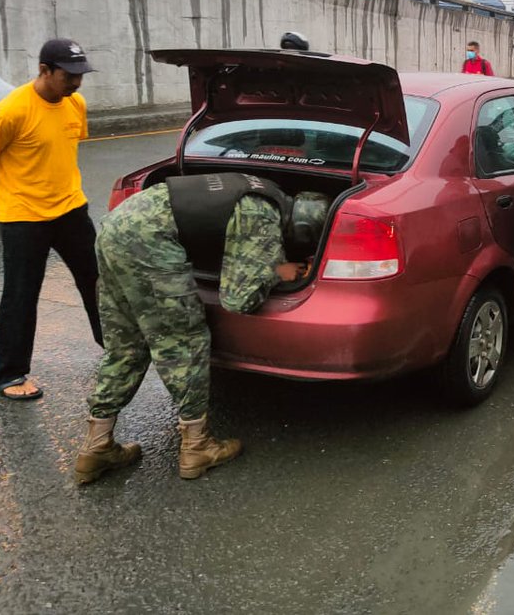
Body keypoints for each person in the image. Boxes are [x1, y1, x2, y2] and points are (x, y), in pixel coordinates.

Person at [72, 173, 328, 483]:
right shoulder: (262, 216)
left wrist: (268, 264)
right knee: (184, 342)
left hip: (116, 228)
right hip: (150, 243)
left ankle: (96, 447)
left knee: (127, 345)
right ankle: (197, 447)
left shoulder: (260, 189)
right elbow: (238, 298)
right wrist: (275, 270)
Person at [0, 39, 101, 401]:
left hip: (71, 209)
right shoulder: (12, 110)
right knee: (21, 295)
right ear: (44, 70)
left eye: (80, 75)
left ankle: (116, 349)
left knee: (98, 282)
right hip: (24, 217)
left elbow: (62, 151)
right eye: (68, 75)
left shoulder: (76, 104)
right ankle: (9, 374)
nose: (76, 83)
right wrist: (6, 192)